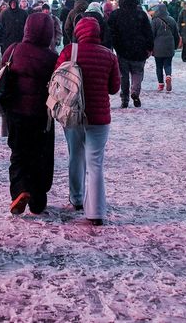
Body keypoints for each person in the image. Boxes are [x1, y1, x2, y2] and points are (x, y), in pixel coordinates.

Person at [58, 17, 120, 225]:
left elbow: (57, 78)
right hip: (99, 117)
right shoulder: (109, 55)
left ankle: (76, 198)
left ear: (78, 32)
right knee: (95, 164)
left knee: (75, 155)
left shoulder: (69, 51)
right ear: (98, 32)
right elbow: (114, 88)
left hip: (73, 114)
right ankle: (96, 212)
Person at [1, 12, 58, 216]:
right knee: (40, 155)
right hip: (41, 114)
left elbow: (2, 70)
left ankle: (19, 190)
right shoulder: (51, 58)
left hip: (16, 111)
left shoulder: (14, 50)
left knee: (18, 153)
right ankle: (38, 201)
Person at [107, 0, 153, 108]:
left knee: (123, 75)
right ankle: (135, 92)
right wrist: (150, 47)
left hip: (122, 50)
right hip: (139, 50)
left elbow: (110, 33)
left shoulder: (115, 15)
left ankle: (125, 98)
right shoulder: (141, 14)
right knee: (138, 73)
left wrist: (112, 47)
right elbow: (148, 32)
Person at [150, 4, 180, 92]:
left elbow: (151, 35)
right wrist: (175, 46)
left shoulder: (155, 20)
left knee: (159, 66)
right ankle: (168, 76)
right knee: (168, 64)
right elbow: (176, 34)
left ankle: (160, 84)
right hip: (169, 46)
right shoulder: (172, 20)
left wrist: (151, 47)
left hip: (158, 47)